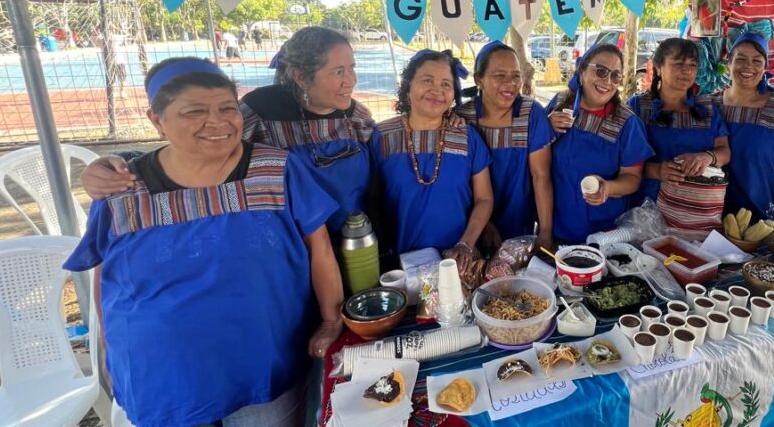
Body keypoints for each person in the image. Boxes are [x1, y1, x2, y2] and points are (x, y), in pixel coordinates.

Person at [64, 57, 345, 427]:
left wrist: (331, 319)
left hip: (264, 364)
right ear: (156, 119)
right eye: (194, 111)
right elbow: (107, 276)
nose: (217, 122)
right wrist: (108, 347)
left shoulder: (275, 170)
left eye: (227, 108)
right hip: (165, 375)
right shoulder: (123, 189)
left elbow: (319, 248)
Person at [80, 27, 377, 244]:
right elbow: (195, 151)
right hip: (284, 243)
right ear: (300, 76)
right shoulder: (260, 112)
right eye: (338, 72)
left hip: (359, 238)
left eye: (351, 68)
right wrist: (116, 164)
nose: (350, 80)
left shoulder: (357, 118)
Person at [371, 49, 494, 254]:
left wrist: (465, 244)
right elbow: (372, 200)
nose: (437, 90)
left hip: (457, 259)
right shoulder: (382, 136)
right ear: (408, 85)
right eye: (427, 80)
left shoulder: (467, 137)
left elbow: (484, 199)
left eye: (446, 84)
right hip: (401, 260)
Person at [455, 41, 557, 251]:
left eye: (516, 75)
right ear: (479, 79)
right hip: (470, 229)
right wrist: (483, 224)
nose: (510, 83)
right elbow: (458, 183)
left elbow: (540, 176)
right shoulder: (462, 118)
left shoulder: (531, 113)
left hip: (519, 225)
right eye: (499, 75)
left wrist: (545, 232)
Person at [547, 44, 653, 243]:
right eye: (601, 71)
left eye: (615, 76)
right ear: (581, 71)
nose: (607, 81)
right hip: (555, 226)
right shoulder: (560, 104)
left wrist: (608, 188)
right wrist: (547, 126)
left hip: (602, 235)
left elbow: (632, 178)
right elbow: (538, 156)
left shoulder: (626, 123)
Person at [627, 37, 730, 203]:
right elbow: (621, 156)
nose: (686, 71)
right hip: (646, 206)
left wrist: (707, 157)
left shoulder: (707, 108)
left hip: (696, 206)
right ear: (659, 67)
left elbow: (724, 152)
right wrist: (657, 170)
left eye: (692, 65)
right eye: (678, 63)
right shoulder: (638, 106)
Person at [716, 32, 774, 219]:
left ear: (765, 68)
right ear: (729, 63)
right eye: (741, 59)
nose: (748, 66)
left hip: (764, 214)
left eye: (757, 61)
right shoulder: (711, 104)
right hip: (712, 211)